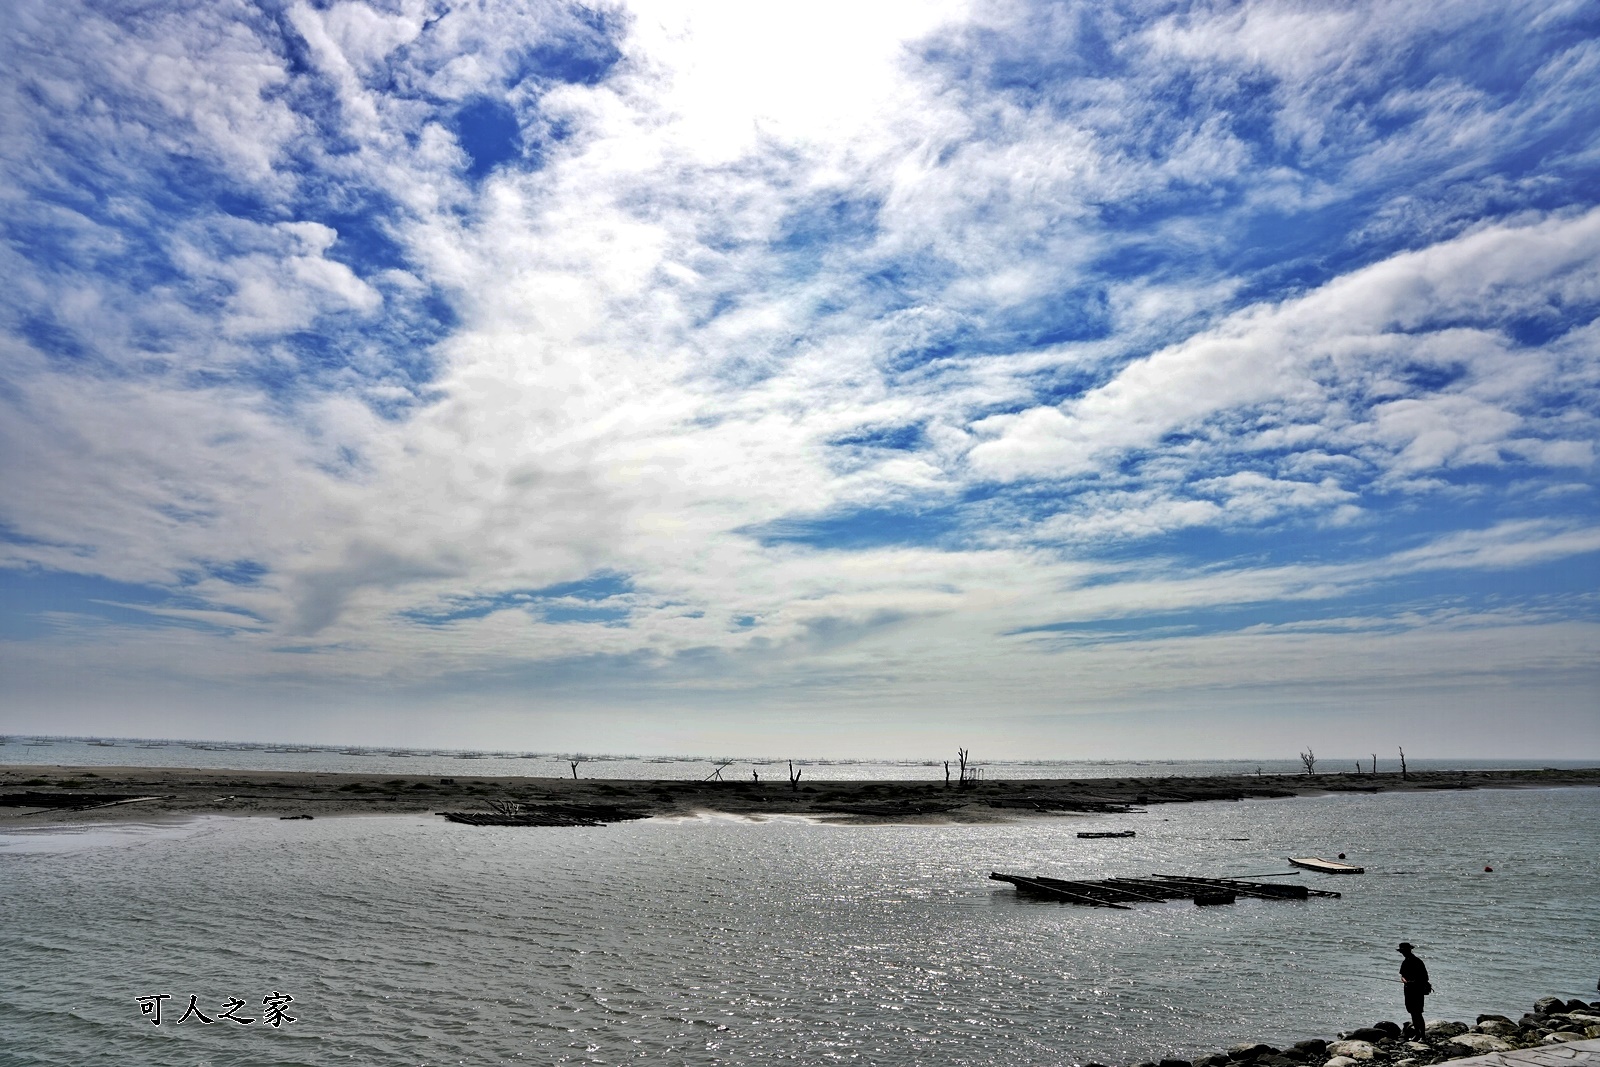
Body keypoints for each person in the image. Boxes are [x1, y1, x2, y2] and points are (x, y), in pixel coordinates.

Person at [1398, 942, 1431, 1038]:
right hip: (1408, 991)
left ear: (1409, 950)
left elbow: (1425, 977)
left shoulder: (1417, 961)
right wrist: (1405, 981)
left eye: (1404, 951)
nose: (1403, 953)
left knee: (1418, 1013)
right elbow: (1402, 976)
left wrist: (1414, 982)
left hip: (1417, 991)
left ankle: (1423, 1036)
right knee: (1412, 1013)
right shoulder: (1405, 962)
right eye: (1402, 951)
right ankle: (1417, 1034)